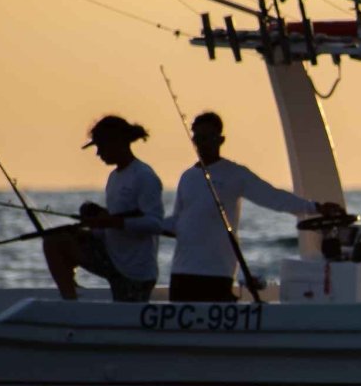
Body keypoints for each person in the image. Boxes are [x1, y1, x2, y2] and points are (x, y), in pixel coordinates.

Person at [166, 110, 341, 302]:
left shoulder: (235, 174)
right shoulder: (187, 177)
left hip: (216, 272)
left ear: (220, 140)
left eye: (207, 137)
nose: (201, 143)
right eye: (197, 138)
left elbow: (273, 197)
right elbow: (177, 222)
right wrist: (140, 223)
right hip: (182, 271)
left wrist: (315, 207)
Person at [43, 114, 165, 301]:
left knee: (126, 321)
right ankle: (70, 303)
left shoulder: (144, 176)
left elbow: (155, 223)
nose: (98, 153)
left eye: (101, 147)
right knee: (54, 240)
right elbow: (110, 226)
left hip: (135, 271)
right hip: (113, 258)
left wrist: (112, 221)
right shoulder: (113, 178)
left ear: (117, 142)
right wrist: (93, 228)